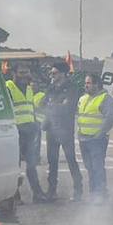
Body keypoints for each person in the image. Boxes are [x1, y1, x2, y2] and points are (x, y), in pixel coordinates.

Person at [5, 64, 49, 203]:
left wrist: (36, 124)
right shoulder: (8, 87)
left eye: (26, 72)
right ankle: (14, 196)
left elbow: (30, 109)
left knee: (31, 165)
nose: (24, 75)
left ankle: (37, 194)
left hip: (30, 132)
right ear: (14, 73)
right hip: (15, 132)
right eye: (21, 72)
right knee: (15, 166)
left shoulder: (29, 89)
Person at [42, 63, 82, 201]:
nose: (52, 76)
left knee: (71, 160)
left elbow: (68, 107)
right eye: (51, 73)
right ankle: (51, 191)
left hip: (65, 130)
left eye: (55, 73)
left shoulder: (71, 88)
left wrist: (52, 105)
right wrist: (56, 105)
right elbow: (43, 104)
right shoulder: (51, 87)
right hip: (51, 129)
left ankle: (78, 190)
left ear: (63, 74)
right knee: (52, 162)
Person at [77, 72, 113, 201]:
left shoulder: (105, 98)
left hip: (97, 140)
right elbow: (80, 117)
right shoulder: (82, 98)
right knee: (89, 167)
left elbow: (109, 119)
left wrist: (99, 134)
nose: (86, 85)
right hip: (84, 139)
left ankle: (101, 193)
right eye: (85, 83)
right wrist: (79, 133)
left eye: (88, 83)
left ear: (96, 84)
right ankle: (93, 193)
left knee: (97, 167)